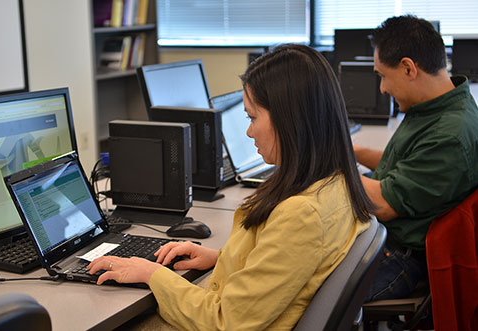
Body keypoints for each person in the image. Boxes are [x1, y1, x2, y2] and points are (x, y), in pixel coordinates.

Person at [88, 44, 374, 330]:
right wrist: (220, 258)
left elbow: (225, 322)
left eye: (252, 117)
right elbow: (287, 265)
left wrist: (151, 274)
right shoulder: (334, 182)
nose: (249, 132)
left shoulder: (301, 214)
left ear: (290, 119)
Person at [354, 15, 478, 302]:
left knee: (300, 297)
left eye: (383, 75)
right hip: (388, 239)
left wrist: (323, 164)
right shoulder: (439, 106)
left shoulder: (451, 135)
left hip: (400, 257)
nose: (382, 88)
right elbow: (409, 165)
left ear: (409, 68)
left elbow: (383, 203)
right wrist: (355, 153)